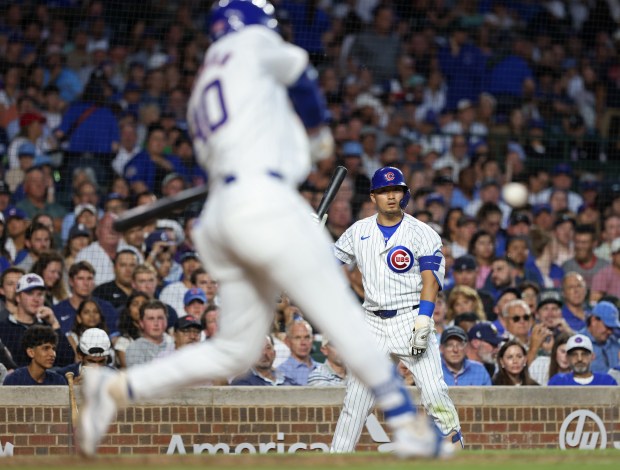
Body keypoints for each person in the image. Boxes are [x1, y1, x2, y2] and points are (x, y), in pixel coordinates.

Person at [77, 1, 452, 460]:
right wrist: (317, 136)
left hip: (222, 215)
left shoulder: (204, 83)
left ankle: (115, 388)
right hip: (264, 200)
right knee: (347, 318)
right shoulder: (250, 42)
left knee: (234, 350)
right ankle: (406, 423)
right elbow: (300, 75)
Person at [330, 166, 462, 453]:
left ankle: (456, 457)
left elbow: (430, 281)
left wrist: (424, 320)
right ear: (373, 196)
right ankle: (335, 461)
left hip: (410, 317)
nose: (391, 196)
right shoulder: (359, 230)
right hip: (372, 322)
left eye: (396, 190)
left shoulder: (422, 233)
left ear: (404, 194)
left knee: (435, 392)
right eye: (384, 191)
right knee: (355, 401)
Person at [0, 273, 73, 368]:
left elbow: (68, 359)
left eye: (40, 294)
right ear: (18, 297)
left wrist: (54, 324)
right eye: (30, 293)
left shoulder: (48, 327)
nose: (36, 299)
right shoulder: (3, 328)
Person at [2, 324, 67, 386]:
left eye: (53, 349)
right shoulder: (14, 380)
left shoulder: (58, 381)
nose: (52, 354)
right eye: (46, 348)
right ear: (31, 352)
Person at [548, 334, 617, 386]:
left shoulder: (607, 381)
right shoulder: (558, 382)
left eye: (584, 354)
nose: (579, 359)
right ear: (568, 358)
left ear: (592, 356)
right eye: (574, 354)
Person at [231, 335, 297, 386]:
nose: (264, 353)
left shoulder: (289, 382)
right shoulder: (242, 383)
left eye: (268, 348)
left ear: (274, 353)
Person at [124, 299, 173, 367]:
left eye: (160, 318)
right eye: (151, 318)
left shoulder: (174, 344)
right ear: (141, 323)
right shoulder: (134, 348)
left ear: (166, 321)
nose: (156, 323)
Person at [578, 301, 620, 373]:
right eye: (607, 327)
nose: (610, 332)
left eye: (612, 328)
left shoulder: (616, 345)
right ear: (594, 320)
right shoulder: (578, 343)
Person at [275, 319, 319, 385]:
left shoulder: (322, 369)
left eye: (307, 337)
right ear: (287, 341)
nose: (303, 343)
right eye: (297, 338)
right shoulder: (281, 372)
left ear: (312, 339)